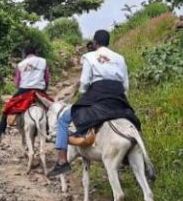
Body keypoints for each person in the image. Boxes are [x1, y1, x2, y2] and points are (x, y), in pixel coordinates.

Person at [47, 30, 140, 177]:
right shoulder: (120, 58)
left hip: (97, 93)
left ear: (95, 43)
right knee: (131, 120)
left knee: (63, 119)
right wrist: (120, 98)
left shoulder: (89, 56)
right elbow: (125, 84)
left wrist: (86, 93)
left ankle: (62, 161)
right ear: (108, 43)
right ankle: (129, 155)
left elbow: (84, 82)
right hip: (118, 96)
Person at [0, 45, 51, 142]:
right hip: (39, 90)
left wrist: (21, 87)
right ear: (35, 53)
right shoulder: (43, 61)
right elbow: (46, 78)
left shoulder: (21, 64)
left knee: (7, 108)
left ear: (25, 54)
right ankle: (50, 132)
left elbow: (17, 82)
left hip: (24, 90)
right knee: (52, 108)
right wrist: (44, 88)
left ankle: (0, 133)